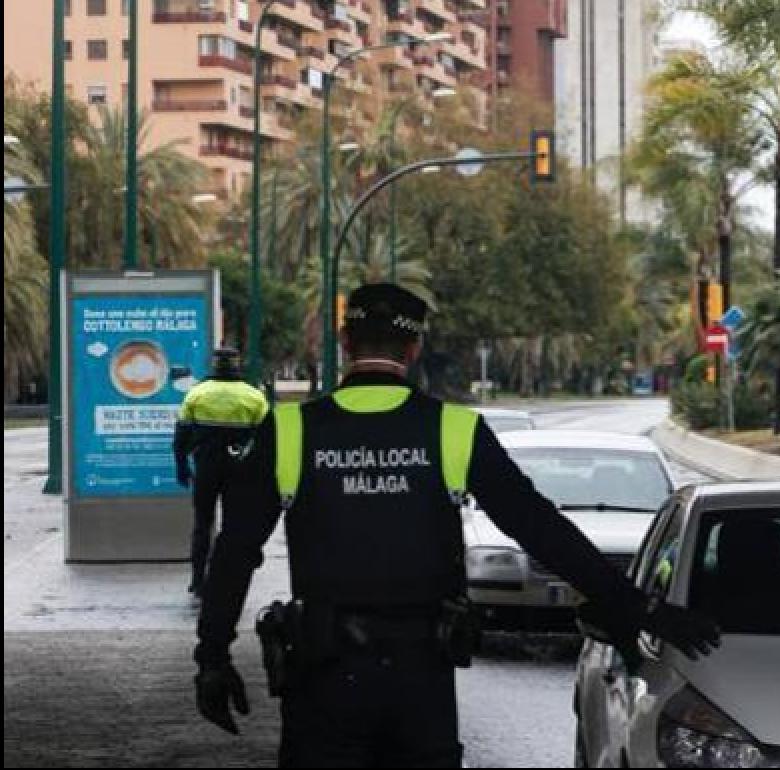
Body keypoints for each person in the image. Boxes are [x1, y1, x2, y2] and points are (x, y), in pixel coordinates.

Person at [193, 283, 720, 768]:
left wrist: (213, 656)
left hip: (323, 680)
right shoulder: (453, 429)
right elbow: (540, 529)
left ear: (345, 341)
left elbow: (236, 551)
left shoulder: (288, 429)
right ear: (415, 350)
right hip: (419, 681)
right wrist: (641, 608)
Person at [174, 347, 269, 596]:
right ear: (238, 366)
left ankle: (197, 580)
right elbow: (267, 439)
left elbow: (180, 436)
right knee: (233, 526)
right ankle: (228, 580)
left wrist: (181, 467)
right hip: (241, 471)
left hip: (206, 469)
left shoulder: (197, 394)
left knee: (202, 524)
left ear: (214, 366)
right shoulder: (254, 396)